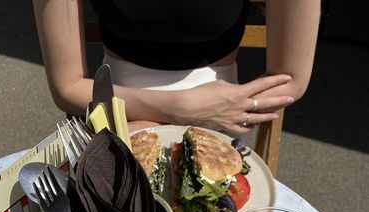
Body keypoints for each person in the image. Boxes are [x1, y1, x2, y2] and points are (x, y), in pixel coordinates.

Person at [32, 0, 321, 134]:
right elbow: (66, 87)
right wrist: (180, 110)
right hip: (117, 112)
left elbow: (290, 79)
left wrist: (235, 108)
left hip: (218, 118)